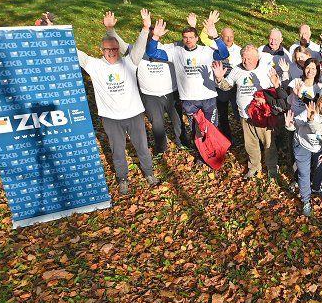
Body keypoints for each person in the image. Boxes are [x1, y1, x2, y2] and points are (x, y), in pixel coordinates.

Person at [76, 9, 158, 194]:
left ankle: (149, 173)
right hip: (111, 118)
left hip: (134, 114)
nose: (112, 52)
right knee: (118, 151)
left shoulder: (129, 62)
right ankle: (122, 179)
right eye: (107, 49)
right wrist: (53, 31)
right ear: (101, 50)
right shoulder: (94, 65)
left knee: (142, 147)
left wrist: (146, 28)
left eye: (114, 49)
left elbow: (138, 47)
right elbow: (76, 52)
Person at [145, 12, 230, 167]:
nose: (188, 40)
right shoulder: (175, 52)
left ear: (197, 38)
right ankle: (200, 156)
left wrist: (216, 37)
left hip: (208, 97)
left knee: (211, 129)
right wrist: (155, 37)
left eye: (191, 37)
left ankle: (215, 155)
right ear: (182, 38)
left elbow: (224, 53)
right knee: (196, 130)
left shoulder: (205, 51)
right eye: (185, 37)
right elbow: (151, 52)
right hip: (189, 100)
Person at [108, 20, 189, 157]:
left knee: (178, 120)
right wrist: (110, 29)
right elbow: (119, 45)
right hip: (150, 95)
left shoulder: (168, 48)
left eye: (154, 35)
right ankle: (161, 148)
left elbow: (187, 41)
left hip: (171, 93)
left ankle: (184, 143)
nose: (151, 38)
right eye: (148, 35)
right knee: (157, 124)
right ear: (142, 35)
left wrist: (191, 25)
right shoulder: (135, 50)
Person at [211, 46, 282, 179]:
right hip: (245, 116)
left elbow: (276, 92)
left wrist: (265, 99)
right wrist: (220, 79)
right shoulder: (237, 69)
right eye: (243, 58)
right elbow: (227, 87)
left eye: (249, 58)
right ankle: (254, 167)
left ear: (257, 58)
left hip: (263, 115)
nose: (245, 61)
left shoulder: (266, 69)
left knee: (268, 144)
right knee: (250, 145)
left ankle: (272, 168)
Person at [284, 95, 322, 217]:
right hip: (302, 145)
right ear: (318, 103)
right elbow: (294, 125)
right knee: (304, 173)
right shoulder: (308, 112)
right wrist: (289, 125)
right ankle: (305, 200)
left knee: (320, 171)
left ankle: (316, 188)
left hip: (320, 149)